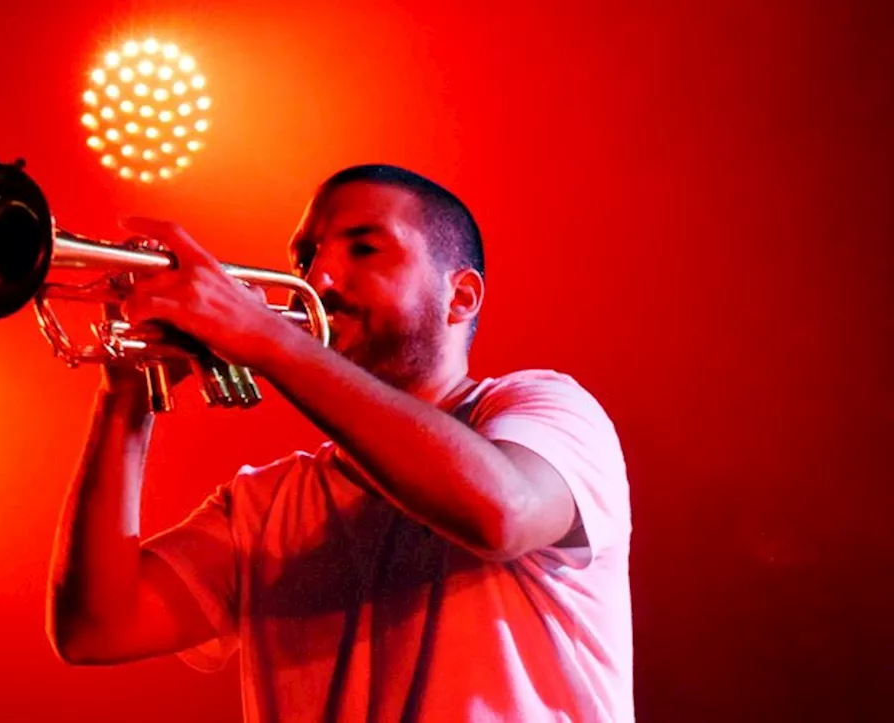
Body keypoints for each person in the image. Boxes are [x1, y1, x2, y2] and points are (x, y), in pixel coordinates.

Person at [46, 164, 633, 722]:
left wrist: (265, 338)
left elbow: (502, 513)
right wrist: (125, 393)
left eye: (364, 248)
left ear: (462, 297)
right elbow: (97, 628)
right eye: (305, 256)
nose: (317, 278)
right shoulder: (263, 505)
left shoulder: (545, 410)